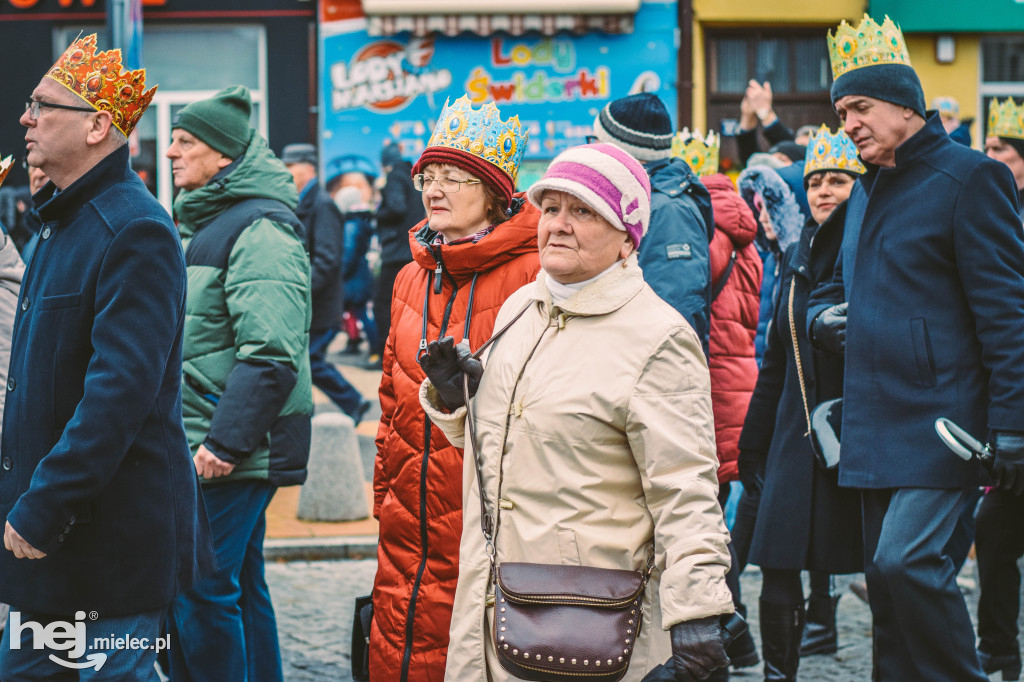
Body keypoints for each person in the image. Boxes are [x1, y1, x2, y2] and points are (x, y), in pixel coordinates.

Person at [417, 142, 735, 681]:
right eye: (553, 207)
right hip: (493, 606)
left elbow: (686, 491)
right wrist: (457, 403)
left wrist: (698, 615)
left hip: (589, 621)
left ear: (626, 236)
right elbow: (508, 450)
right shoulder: (524, 308)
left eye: (584, 211)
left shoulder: (657, 338)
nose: (559, 225)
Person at [805, 15, 1024, 680]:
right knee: (888, 593)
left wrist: (1014, 424)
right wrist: (822, 323)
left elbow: (1008, 313)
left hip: (945, 425)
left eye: (861, 107)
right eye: (842, 111)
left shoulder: (972, 178)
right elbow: (827, 288)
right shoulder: (865, 192)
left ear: (905, 103)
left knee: (908, 564)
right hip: (873, 426)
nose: (849, 124)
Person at [0, 34, 214, 677]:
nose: (25, 119)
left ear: (97, 126)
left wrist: (42, 506)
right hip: (63, 548)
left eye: (43, 106)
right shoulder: (64, 221)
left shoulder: (134, 228)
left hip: (103, 547)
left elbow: (117, 396)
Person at [371, 95, 542, 681]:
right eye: (429, 176)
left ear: (494, 192)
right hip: (407, 515)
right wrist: (383, 495)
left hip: (485, 516)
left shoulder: (535, 274)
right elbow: (391, 403)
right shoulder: (409, 275)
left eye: (455, 177)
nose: (434, 190)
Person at [165, 85, 313, 682]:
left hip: (228, 447)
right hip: (213, 437)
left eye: (185, 142)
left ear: (223, 156)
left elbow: (273, 353)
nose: (171, 152)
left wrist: (224, 443)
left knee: (200, 590)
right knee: (238, 584)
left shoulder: (259, 228)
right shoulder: (215, 219)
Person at [738, 126, 866, 681]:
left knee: (877, 570)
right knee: (779, 564)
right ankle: (777, 675)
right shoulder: (796, 254)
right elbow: (776, 359)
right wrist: (753, 440)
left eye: (837, 180)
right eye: (814, 181)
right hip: (796, 430)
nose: (822, 191)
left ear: (860, 187)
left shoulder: (869, 251)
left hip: (858, 430)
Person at [675, 128, 763, 677]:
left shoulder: (701, 230)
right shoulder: (746, 233)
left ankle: (729, 633)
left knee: (701, 521)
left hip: (709, 386)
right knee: (715, 516)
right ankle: (739, 632)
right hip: (740, 383)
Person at [591, 92, 714, 356]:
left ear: (621, 151)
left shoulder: (669, 210)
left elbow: (676, 315)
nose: (591, 150)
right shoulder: (640, 200)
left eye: (596, 142)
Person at [973, 95, 1024, 681]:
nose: (988, 158)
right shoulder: (991, 209)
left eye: (1000, 149)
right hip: (1012, 409)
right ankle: (1000, 654)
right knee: (995, 534)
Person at [282, 143, 372, 424]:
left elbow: (328, 260)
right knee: (307, 362)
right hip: (312, 305)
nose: (286, 173)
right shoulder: (304, 202)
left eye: (290, 167)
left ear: (308, 168)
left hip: (320, 306)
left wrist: (298, 290)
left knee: (308, 362)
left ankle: (353, 403)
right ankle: (343, 405)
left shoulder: (322, 204)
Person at [370, 142, 422, 369]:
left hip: (396, 252)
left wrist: (375, 214)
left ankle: (387, 357)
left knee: (383, 305)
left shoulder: (394, 178)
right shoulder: (413, 179)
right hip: (413, 250)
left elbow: (396, 208)